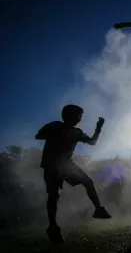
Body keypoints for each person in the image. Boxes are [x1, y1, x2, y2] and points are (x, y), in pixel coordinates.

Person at [35, 104, 112, 244]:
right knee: (54, 194)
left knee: (88, 182)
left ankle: (99, 209)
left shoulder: (77, 132)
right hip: (51, 164)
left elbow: (92, 142)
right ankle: (53, 226)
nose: (80, 118)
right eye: (79, 115)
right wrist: (53, 135)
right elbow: (39, 135)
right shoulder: (55, 126)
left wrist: (98, 128)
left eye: (81, 116)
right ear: (69, 116)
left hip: (66, 164)